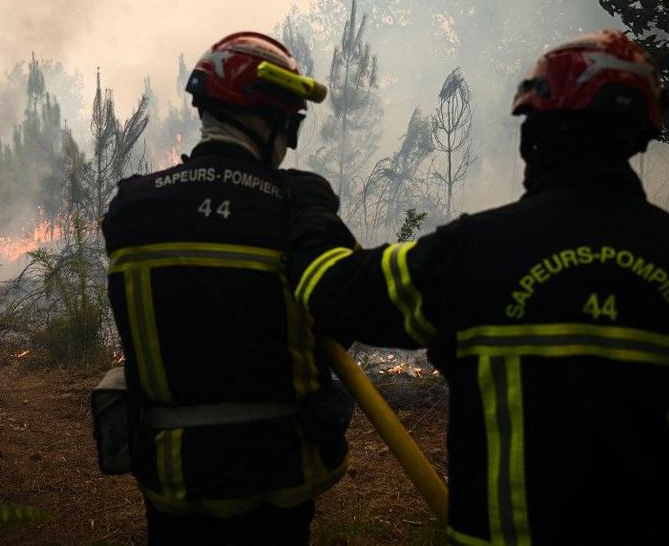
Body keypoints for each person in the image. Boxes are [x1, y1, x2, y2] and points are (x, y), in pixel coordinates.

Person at [282, 29, 669, 544]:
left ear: (535, 133)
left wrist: (308, 209)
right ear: (640, 136)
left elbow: (332, 291)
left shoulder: (476, 250)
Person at [101, 32, 354, 545]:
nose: (288, 146)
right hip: (276, 476)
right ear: (268, 121)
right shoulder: (293, 212)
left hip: (174, 475)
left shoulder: (131, 209)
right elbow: (342, 315)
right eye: (291, 126)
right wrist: (317, 219)